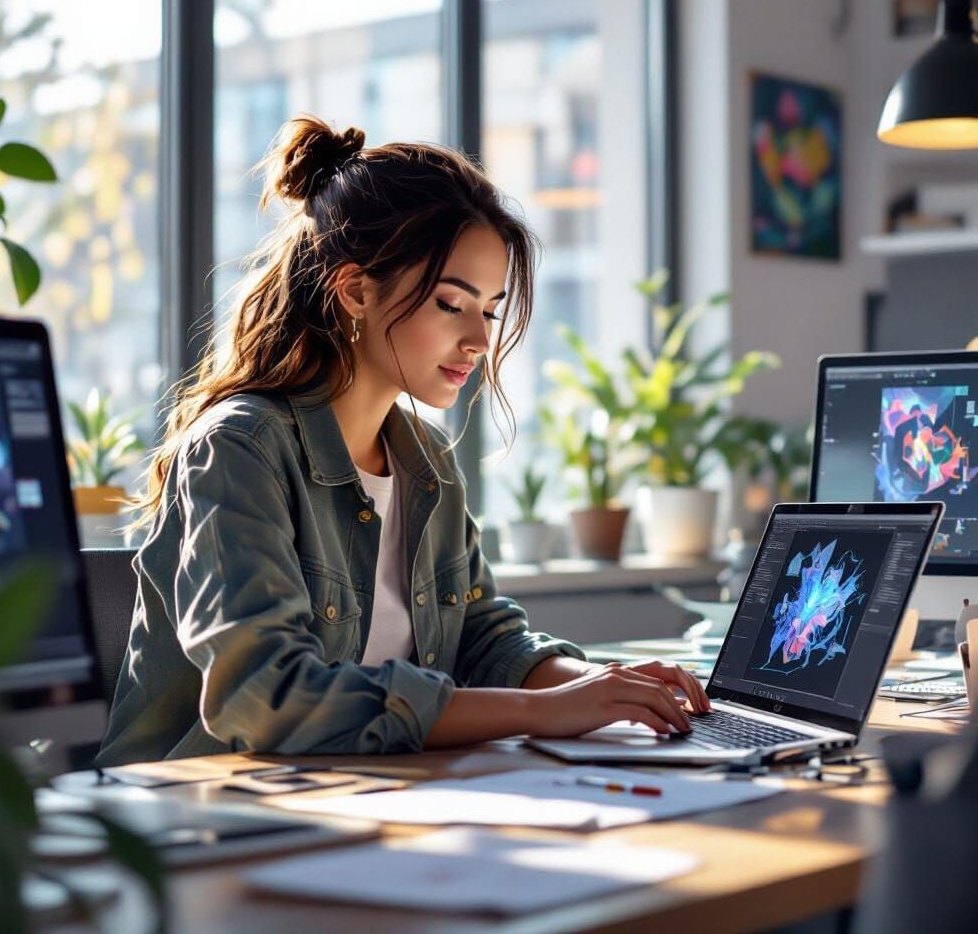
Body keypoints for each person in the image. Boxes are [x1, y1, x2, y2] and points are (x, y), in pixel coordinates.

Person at [96, 115, 710, 766]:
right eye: (451, 304)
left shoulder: (427, 461)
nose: (480, 339)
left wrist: (599, 687)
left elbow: (481, 640)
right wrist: (546, 711)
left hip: (352, 794)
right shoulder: (240, 447)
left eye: (490, 309)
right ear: (356, 291)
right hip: (192, 808)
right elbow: (266, 696)